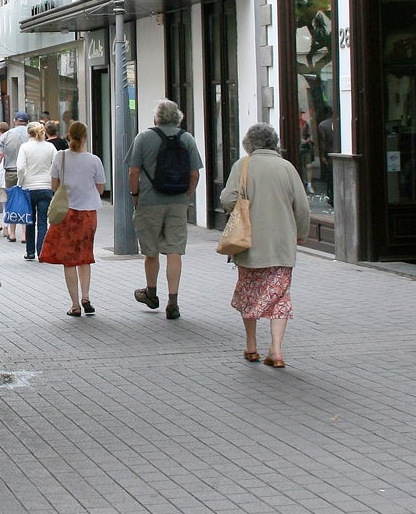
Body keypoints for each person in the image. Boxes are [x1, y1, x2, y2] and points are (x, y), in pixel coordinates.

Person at [221, 124, 310, 368]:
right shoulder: (287, 167)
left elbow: (228, 198)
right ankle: (277, 350)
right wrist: (300, 234)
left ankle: (251, 346)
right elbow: (302, 207)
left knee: (249, 292)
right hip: (281, 245)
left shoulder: (243, 165)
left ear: (248, 144)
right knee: (280, 296)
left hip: (248, 243)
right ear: (274, 142)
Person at [127, 99, 204, 320]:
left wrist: (135, 196)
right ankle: (173, 301)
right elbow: (195, 174)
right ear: (178, 117)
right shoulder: (187, 138)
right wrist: (186, 196)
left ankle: (151, 293)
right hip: (178, 202)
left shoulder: (144, 137)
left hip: (150, 201)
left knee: (150, 252)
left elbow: (133, 172)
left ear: (156, 117)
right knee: (174, 250)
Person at [40, 121, 107, 316]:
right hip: (88, 214)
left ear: (69, 136)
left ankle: (75, 304)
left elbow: (54, 186)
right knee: (85, 256)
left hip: (66, 213)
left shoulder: (60, 157)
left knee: (69, 260)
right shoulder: (94, 160)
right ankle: (86, 296)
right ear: (85, 137)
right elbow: (101, 189)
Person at [17, 122, 58, 260]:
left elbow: (21, 168)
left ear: (28, 133)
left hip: (29, 187)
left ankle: (30, 252)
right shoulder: (50, 147)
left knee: (30, 221)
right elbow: (57, 166)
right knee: (42, 222)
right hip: (46, 187)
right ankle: (42, 252)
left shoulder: (25, 147)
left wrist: (20, 182)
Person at [0, 112, 31, 245]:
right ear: (27, 121)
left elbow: (0, 153)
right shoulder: (31, 133)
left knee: (11, 201)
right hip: (27, 172)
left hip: (10, 171)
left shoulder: (7, 135)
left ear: (15, 120)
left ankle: (12, 233)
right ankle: (24, 234)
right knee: (25, 201)